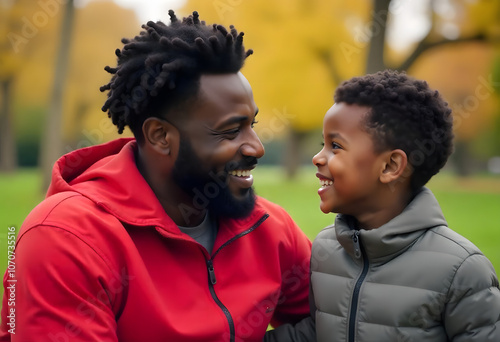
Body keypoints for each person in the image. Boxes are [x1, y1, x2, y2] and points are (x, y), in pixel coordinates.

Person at [0, 11, 313, 342]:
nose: (256, 148)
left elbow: (339, 320)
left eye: (253, 125)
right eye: (231, 131)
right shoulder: (66, 239)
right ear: (161, 136)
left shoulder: (268, 228)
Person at [265, 70, 500, 341]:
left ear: (390, 166)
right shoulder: (326, 250)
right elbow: (318, 331)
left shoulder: (464, 271)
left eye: (336, 145)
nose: (318, 158)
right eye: (322, 143)